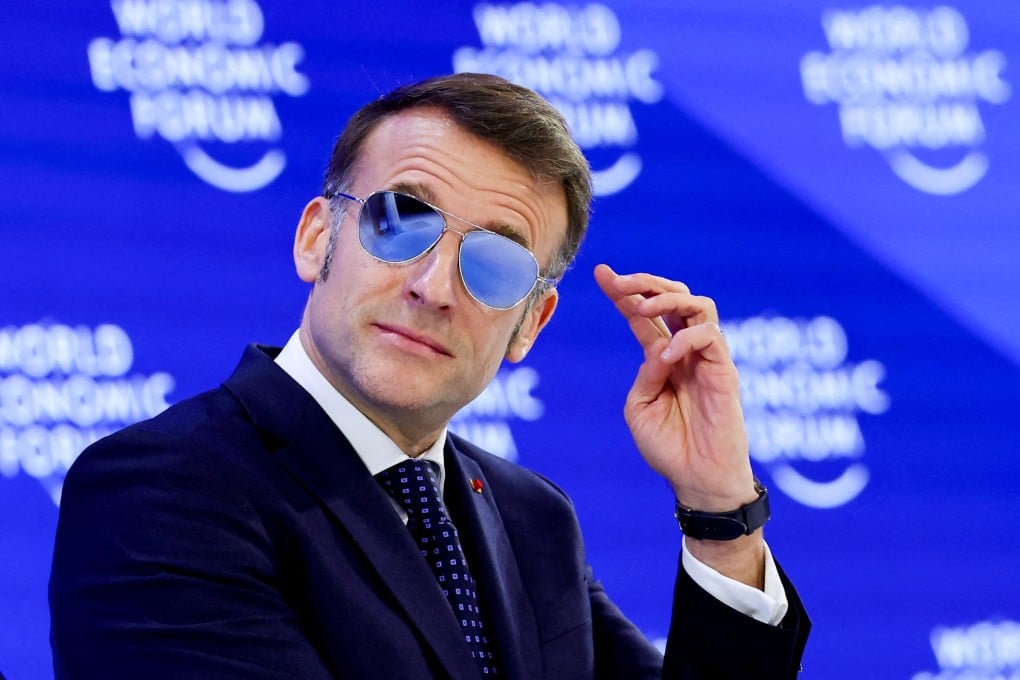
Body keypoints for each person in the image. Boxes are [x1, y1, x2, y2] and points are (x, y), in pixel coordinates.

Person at [49, 73, 809, 678]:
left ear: (529, 325)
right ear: (319, 239)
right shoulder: (161, 487)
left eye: (496, 262)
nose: (435, 286)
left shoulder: (531, 518)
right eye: (400, 221)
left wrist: (718, 513)